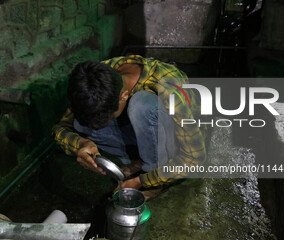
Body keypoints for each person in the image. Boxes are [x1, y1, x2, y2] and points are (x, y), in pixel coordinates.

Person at [52, 55, 207, 200]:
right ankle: (139, 161)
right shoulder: (94, 79)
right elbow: (60, 128)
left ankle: (157, 179)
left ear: (123, 96)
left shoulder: (168, 87)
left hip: (177, 141)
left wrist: (142, 181)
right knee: (80, 122)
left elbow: (194, 157)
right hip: (145, 132)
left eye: (110, 116)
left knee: (141, 105)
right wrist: (81, 144)